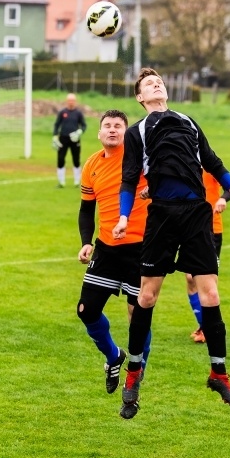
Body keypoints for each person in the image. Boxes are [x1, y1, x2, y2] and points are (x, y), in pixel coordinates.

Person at [113, 67, 230, 419]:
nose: (156, 84)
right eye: (148, 83)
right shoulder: (138, 131)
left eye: (158, 80)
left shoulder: (189, 122)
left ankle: (219, 374)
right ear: (140, 98)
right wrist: (124, 216)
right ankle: (133, 376)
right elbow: (130, 178)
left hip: (196, 215)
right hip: (161, 215)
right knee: (146, 297)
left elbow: (213, 162)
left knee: (211, 295)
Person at [77, 109, 152, 397]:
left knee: (138, 315)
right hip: (106, 248)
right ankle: (114, 357)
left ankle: (138, 369)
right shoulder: (92, 165)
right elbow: (86, 209)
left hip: (140, 248)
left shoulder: (138, 157)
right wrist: (86, 241)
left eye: (118, 126)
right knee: (86, 310)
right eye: (107, 126)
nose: (112, 130)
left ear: (126, 132)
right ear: (99, 133)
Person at [187, 171, 230, 344]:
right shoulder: (180, 160)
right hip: (187, 228)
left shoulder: (209, 163)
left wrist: (222, 199)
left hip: (211, 229)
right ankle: (203, 325)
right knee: (190, 279)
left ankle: (207, 326)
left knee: (207, 281)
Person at [53, 93, 87, 188]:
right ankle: (61, 182)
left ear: (75, 102)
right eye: (69, 100)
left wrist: (80, 131)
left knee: (76, 160)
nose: (71, 102)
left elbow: (84, 125)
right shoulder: (62, 112)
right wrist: (55, 136)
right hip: (63, 138)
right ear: (67, 101)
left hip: (75, 139)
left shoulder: (78, 113)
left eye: (73, 100)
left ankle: (77, 182)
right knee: (60, 159)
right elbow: (57, 125)